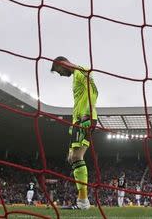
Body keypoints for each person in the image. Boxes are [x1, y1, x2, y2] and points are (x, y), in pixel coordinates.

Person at [51, 56, 98, 210]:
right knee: (72, 158)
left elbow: (94, 91)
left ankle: (83, 203)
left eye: (58, 71)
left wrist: (87, 113)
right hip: (76, 121)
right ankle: (81, 200)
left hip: (85, 118)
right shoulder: (76, 76)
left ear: (62, 64)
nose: (60, 74)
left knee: (77, 156)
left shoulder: (80, 71)